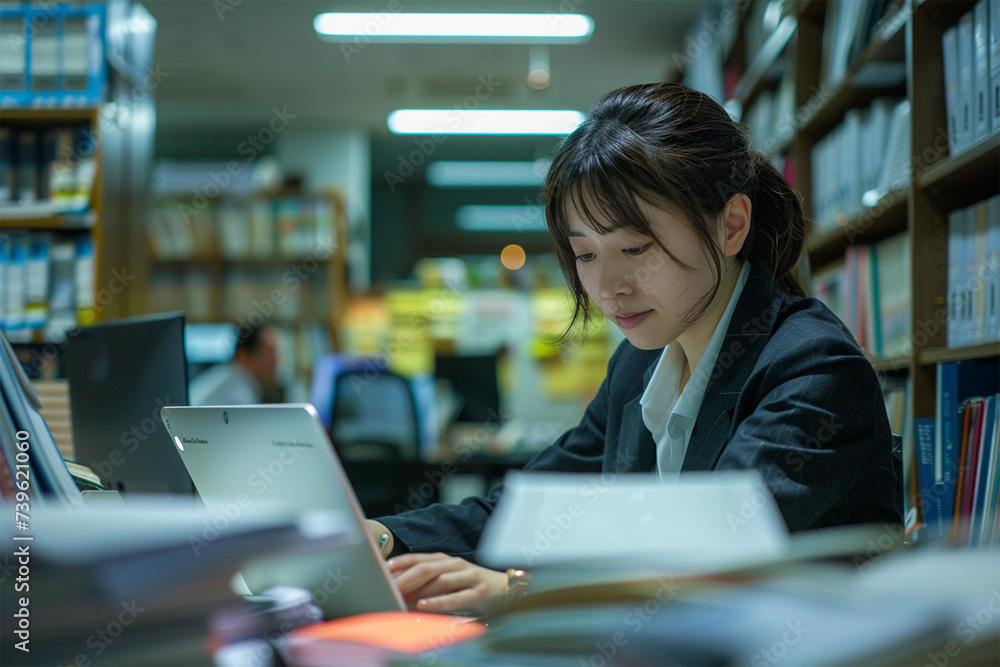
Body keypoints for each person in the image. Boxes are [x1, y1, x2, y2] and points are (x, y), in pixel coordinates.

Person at [368, 82, 901, 616]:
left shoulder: (812, 369)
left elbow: (713, 554)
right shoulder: (639, 362)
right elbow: (532, 507)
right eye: (585, 254)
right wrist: (383, 537)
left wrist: (518, 590)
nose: (607, 287)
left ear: (731, 225)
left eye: (633, 248)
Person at [189, 323, 279, 405]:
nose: (275, 362)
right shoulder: (238, 393)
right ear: (243, 354)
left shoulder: (226, 375)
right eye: (269, 354)